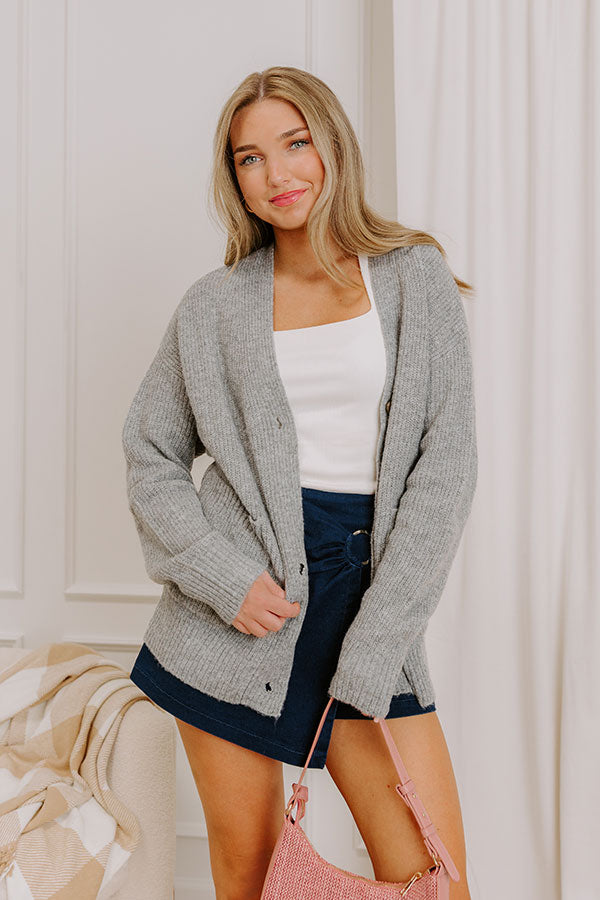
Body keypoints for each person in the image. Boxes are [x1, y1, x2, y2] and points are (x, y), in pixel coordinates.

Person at [123, 65, 477, 900]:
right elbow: (150, 451)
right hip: (235, 621)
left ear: (332, 147)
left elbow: (446, 465)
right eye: (250, 158)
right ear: (234, 178)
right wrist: (223, 577)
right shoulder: (213, 307)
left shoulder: (412, 276)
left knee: (437, 879)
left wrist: (380, 639)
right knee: (250, 876)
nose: (276, 174)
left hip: (370, 597)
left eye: (294, 144)